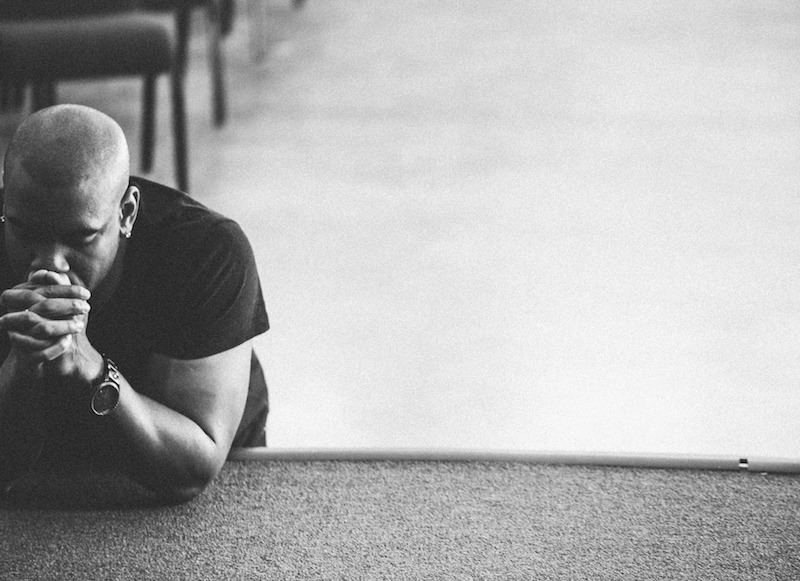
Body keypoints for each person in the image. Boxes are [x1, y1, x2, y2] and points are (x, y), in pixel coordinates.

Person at [0, 104, 269, 503]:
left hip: (202, 483)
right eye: (25, 231)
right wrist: (24, 368)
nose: (49, 264)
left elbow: (192, 469)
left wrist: (88, 366)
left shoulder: (206, 252)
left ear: (126, 213)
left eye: (79, 238)